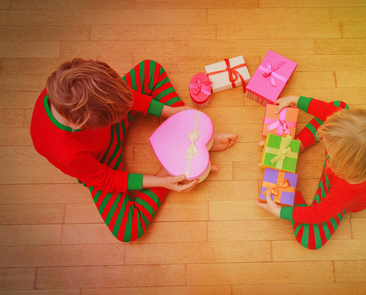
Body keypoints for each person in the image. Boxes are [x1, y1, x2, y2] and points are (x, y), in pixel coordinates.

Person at [30, 58, 237, 242]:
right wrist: (162, 181)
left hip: (108, 116)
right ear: (80, 125)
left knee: (150, 70)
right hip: (103, 160)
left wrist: (170, 112)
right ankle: (178, 161)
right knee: (127, 230)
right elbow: (106, 179)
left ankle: (190, 137)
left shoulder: (69, 85)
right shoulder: (67, 153)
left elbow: (126, 98)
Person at [257, 95, 366, 250]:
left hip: (341, 193)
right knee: (339, 106)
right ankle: (295, 148)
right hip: (344, 167)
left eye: (329, 150)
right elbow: (327, 110)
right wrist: (295, 100)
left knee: (310, 240)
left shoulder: (347, 188)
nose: (323, 142)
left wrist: (280, 211)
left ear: (344, 165)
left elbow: (318, 214)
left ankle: (292, 186)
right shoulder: (362, 154)